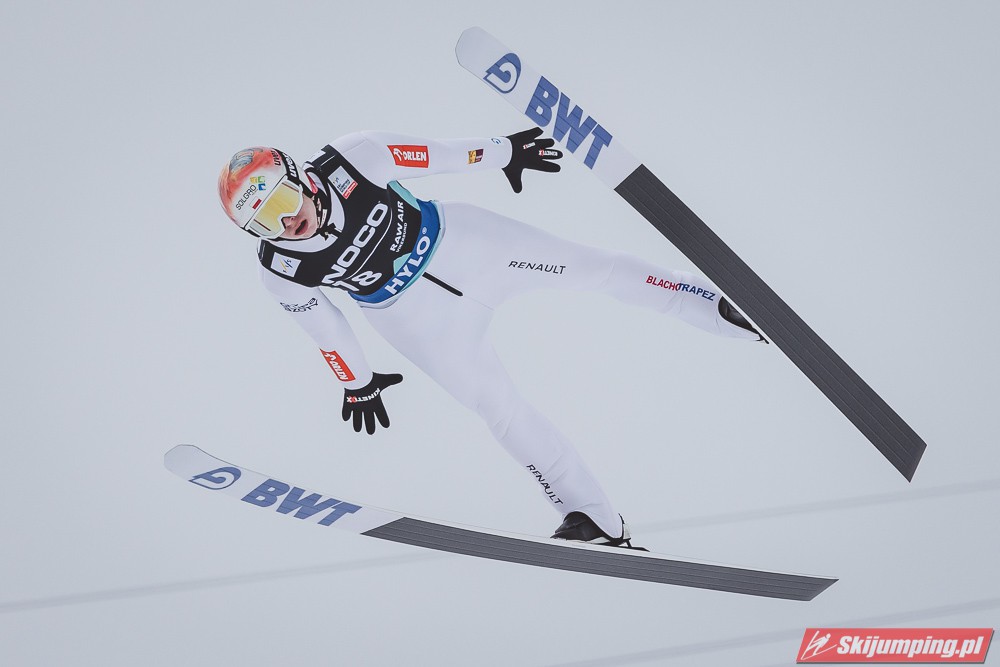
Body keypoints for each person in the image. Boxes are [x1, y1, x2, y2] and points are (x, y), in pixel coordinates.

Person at [217, 128, 763, 549]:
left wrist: (504, 152)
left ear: (300, 177)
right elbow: (326, 328)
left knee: (595, 269)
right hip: (412, 317)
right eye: (264, 223)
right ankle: (594, 520)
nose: (286, 225)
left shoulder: (353, 158)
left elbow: (437, 155)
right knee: (497, 408)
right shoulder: (280, 269)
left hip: (469, 243)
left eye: (282, 203)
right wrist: (356, 383)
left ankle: (721, 307)